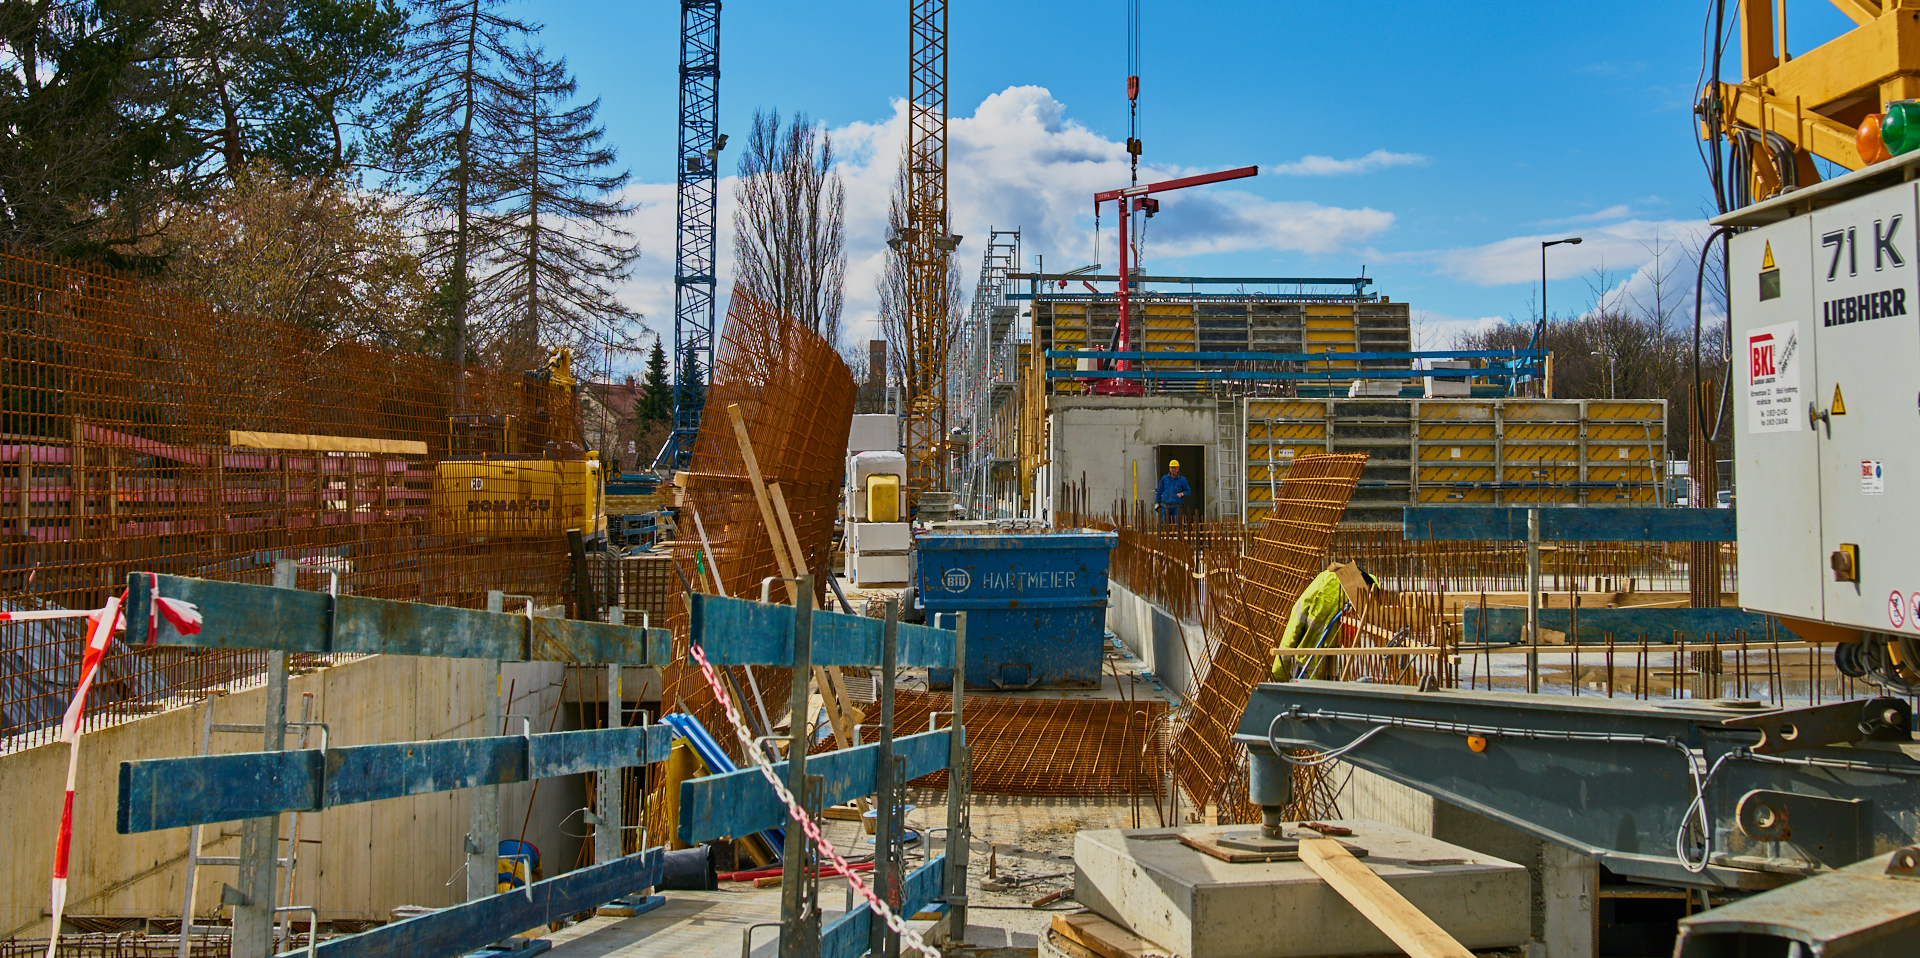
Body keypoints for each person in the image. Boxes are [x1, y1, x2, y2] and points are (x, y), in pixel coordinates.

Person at [1154, 459, 1190, 525]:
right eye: (1172, 468)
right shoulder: (1164, 478)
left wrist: (1182, 494)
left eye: (1175, 468)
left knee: (1176, 525)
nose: (1173, 469)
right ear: (1169, 468)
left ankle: (1175, 535)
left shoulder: (1182, 480)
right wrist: (1156, 502)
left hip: (1176, 507)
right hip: (1165, 506)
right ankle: (1163, 535)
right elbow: (1159, 491)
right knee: (1163, 525)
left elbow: (1188, 491)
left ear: (1178, 469)